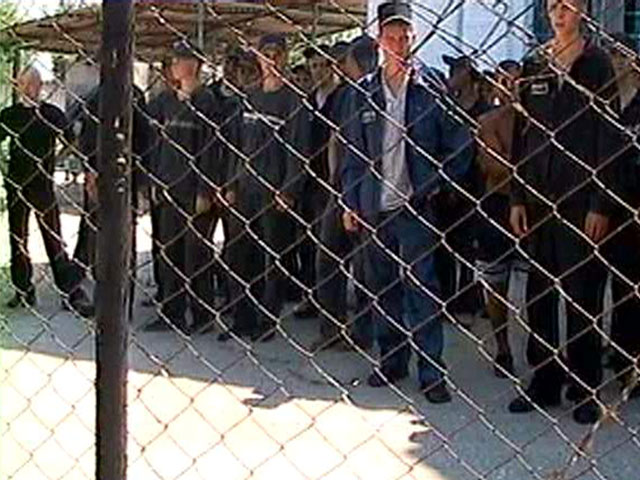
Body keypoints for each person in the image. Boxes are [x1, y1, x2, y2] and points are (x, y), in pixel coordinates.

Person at [341, 2, 473, 403]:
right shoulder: (363, 93)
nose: (399, 44)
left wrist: (436, 184)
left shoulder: (431, 87)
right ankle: (392, 360)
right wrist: (350, 201)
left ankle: (431, 372)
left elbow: (460, 143)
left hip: (415, 209)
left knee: (422, 290)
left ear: (414, 39)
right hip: (374, 207)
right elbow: (351, 152)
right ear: (379, 40)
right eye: (391, 37)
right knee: (383, 289)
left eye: (405, 37)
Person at [508, 0, 619, 424]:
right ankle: (544, 379)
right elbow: (521, 135)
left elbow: (609, 137)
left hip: (579, 202)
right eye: (554, 5)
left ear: (583, 11)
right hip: (538, 200)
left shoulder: (597, 65)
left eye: (569, 6)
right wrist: (517, 197)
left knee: (581, 296)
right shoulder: (535, 65)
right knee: (539, 295)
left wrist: (600, 203)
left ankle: (585, 386)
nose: (560, 14)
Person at [219, 33, 310, 342]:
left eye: (277, 53)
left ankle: (267, 320)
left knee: (274, 258)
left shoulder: (294, 100)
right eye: (266, 53)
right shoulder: (250, 96)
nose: (271, 59)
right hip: (245, 188)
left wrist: (289, 190)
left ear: (285, 57)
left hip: (274, 193)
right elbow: (237, 145)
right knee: (240, 254)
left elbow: (299, 150)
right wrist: (231, 183)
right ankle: (241, 318)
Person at [144, 40, 231, 335]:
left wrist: (206, 191)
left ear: (194, 64)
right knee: (170, 253)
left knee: (196, 254)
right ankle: (172, 312)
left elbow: (210, 150)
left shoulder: (206, 102)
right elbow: (157, 144)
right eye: (174, 60)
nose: (175, 65)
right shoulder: (166, 101)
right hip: (169, 187)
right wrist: (155, 181)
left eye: (180, 60)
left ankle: (202, 314)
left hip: (193, 191)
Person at [0, 67, 93, 316]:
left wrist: (56, 159)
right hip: (17, 183)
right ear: (18, 85)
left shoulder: (51, 113)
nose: (30, 88)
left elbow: (70, 140)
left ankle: (69, 291)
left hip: (42, 184)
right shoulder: (10, 115)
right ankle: (23, 290)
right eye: (25, 83)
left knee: (52, 237)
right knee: (17, 238)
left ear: (41, 86)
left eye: (34, 83)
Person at [310, 34, 378, 352]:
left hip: (368, 189)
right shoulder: (345, 95)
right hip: (343, 186)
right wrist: (334, 182)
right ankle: (332, 328)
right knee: (329, 258)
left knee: (364, 266)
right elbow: (336, 139)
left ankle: (363, 332)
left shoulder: (376, 93)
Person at [433, 54, 491, 318]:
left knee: (470, 247)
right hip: (447, 186)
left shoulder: (483, 111)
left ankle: (470, 296)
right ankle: (445, 297)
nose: (451, 76)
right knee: (443, 246)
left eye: (456, 70)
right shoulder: (448, 109)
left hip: (475, 186)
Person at [475, 59, 523, 377]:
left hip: (534, 207)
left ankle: (537, 347)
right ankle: (502, 346)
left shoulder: (540, 121)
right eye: (503, 81)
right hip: (497, 205)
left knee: (535, 281)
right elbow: (493, 166)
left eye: (515, 81)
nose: (509, 88)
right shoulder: (488, 121)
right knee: (495, 282)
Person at [601, 33, 640, 398]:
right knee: (604, 285)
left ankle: (631, 359)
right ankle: (613, 350)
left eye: (621, 54)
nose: (616, 60)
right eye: (611, 54)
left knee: (632, 289)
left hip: (635, 206)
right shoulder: (602, 101)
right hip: (604, 206)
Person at [293, 44, 340, 320]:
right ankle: (310, 296)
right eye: (314, 66)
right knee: (307, 242)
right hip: (308, 181)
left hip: (332, 181)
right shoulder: (309, 101)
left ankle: (331, 304)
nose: (318, 71)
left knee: (330, 245)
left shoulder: (342, 98)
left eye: (323, 65)